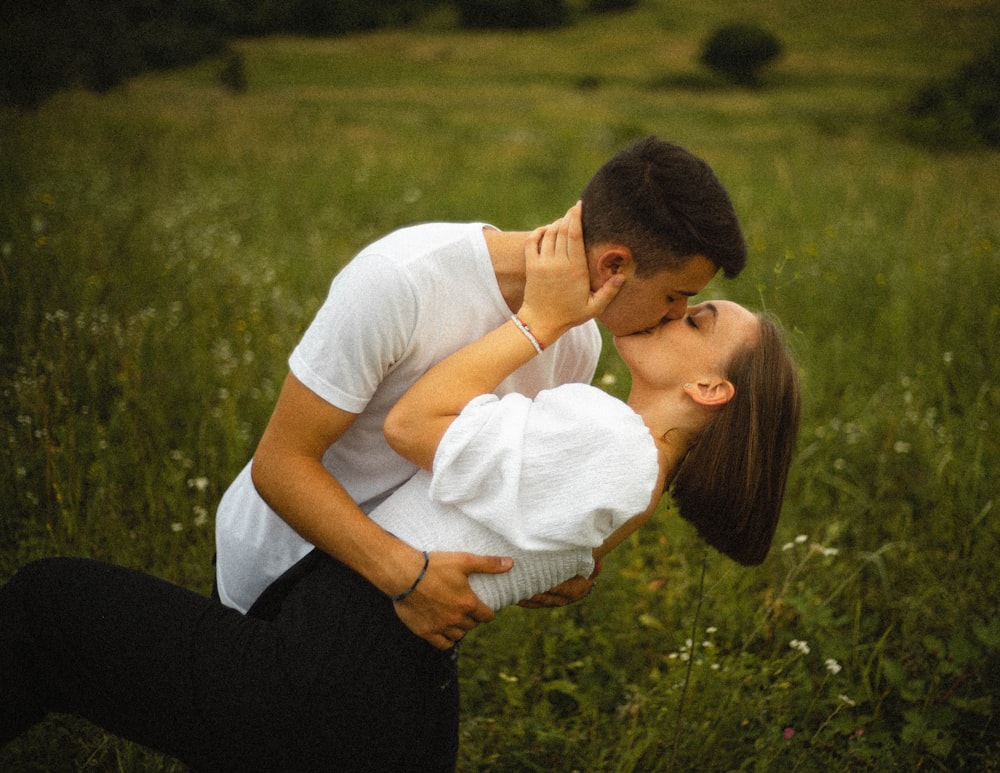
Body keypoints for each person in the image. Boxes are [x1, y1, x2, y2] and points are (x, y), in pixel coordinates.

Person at [0, 206, 800, 771]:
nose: (677, 312)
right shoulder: (632, 473)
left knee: (45, 606)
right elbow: (546, 555)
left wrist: (537, 323)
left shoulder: (605, 433)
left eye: (699, 320)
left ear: (712, 391)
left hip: (329, 671)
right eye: (684, 301)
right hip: (397, 689)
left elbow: (414, 424)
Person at [215, 136, 749, 647]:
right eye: (676, 295)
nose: (676, 316)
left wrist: (563, 556)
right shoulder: (400, 280)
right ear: (614, 265)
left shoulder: (579, 341)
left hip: (392, 611)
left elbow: (496, 483)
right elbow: (279, 464)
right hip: (278, 568)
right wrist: (408, 575)